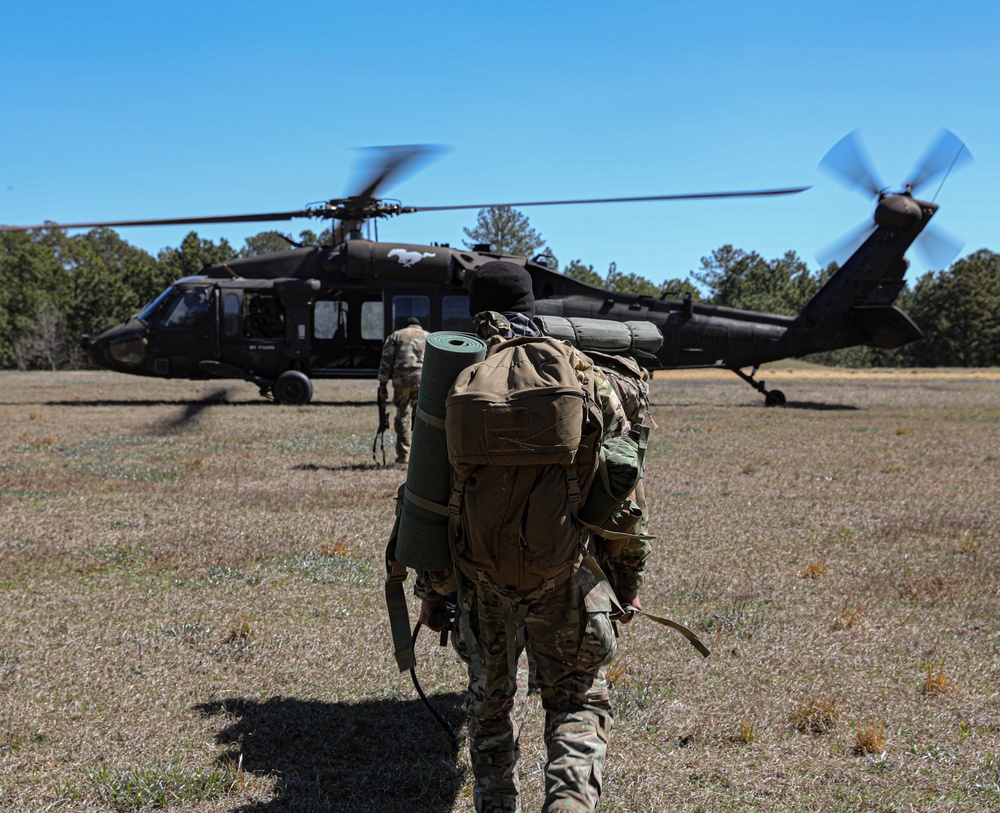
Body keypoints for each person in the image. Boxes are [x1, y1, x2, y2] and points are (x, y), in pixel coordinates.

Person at [417, 261, 646, 813]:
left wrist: (434, 588)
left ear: (473, 310)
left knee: (490, 703)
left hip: (481, 579)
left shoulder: (454, 375)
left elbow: (430, 496)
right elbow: (622, 490)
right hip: (565, 575)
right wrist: (628, 578)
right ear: (533, 306)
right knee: (575, 700)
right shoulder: (585, 375)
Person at [377, 316, 429, 465]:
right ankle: (422, 455)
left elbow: (386, 360)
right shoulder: (429, 337)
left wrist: (382, 384)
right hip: (423, 382)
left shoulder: (396, 335)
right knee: (423, 417)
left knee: (402, 415)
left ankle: (404, 455)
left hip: (402, 381)